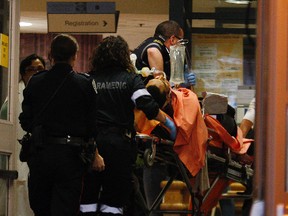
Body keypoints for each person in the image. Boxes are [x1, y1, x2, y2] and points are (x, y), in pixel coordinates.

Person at [79, 35, 177, 216]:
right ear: (124, 55)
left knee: (88, 197)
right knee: (114, 198)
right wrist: (169, 124)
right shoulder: (130, 80)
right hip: (118, 145)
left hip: (91, 145)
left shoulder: (87, 79)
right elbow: (148, 106)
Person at [19, 34, 103, 216]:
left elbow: (25, 120)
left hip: (41, 153)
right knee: (65, 207)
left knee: (41, 207)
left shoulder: (36, 81)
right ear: (75, 56)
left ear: (51, 55)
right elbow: (92, 125)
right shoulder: (85, 84)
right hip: (71, 157)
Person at [134, 76, 208, 216]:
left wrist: (172, 128)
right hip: (158, 151)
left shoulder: (186, 99)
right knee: (153, 207)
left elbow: (186, 131)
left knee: (191, 205)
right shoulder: (144, 104)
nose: (160, 78)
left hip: (184, 150)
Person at [15, 54, 46, 216]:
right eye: (31, 69)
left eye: (40, 69)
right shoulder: (14, 96)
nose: (35, 72)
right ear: (22, 73)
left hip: (41, 157)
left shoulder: (48, 96)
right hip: (17, 155)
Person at [133, 20, 196, 86]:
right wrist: (179, 84)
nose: (181, 44)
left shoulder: (153, 42)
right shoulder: (154, 49)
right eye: (180, 40)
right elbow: (160, 85)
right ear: (172, 39)